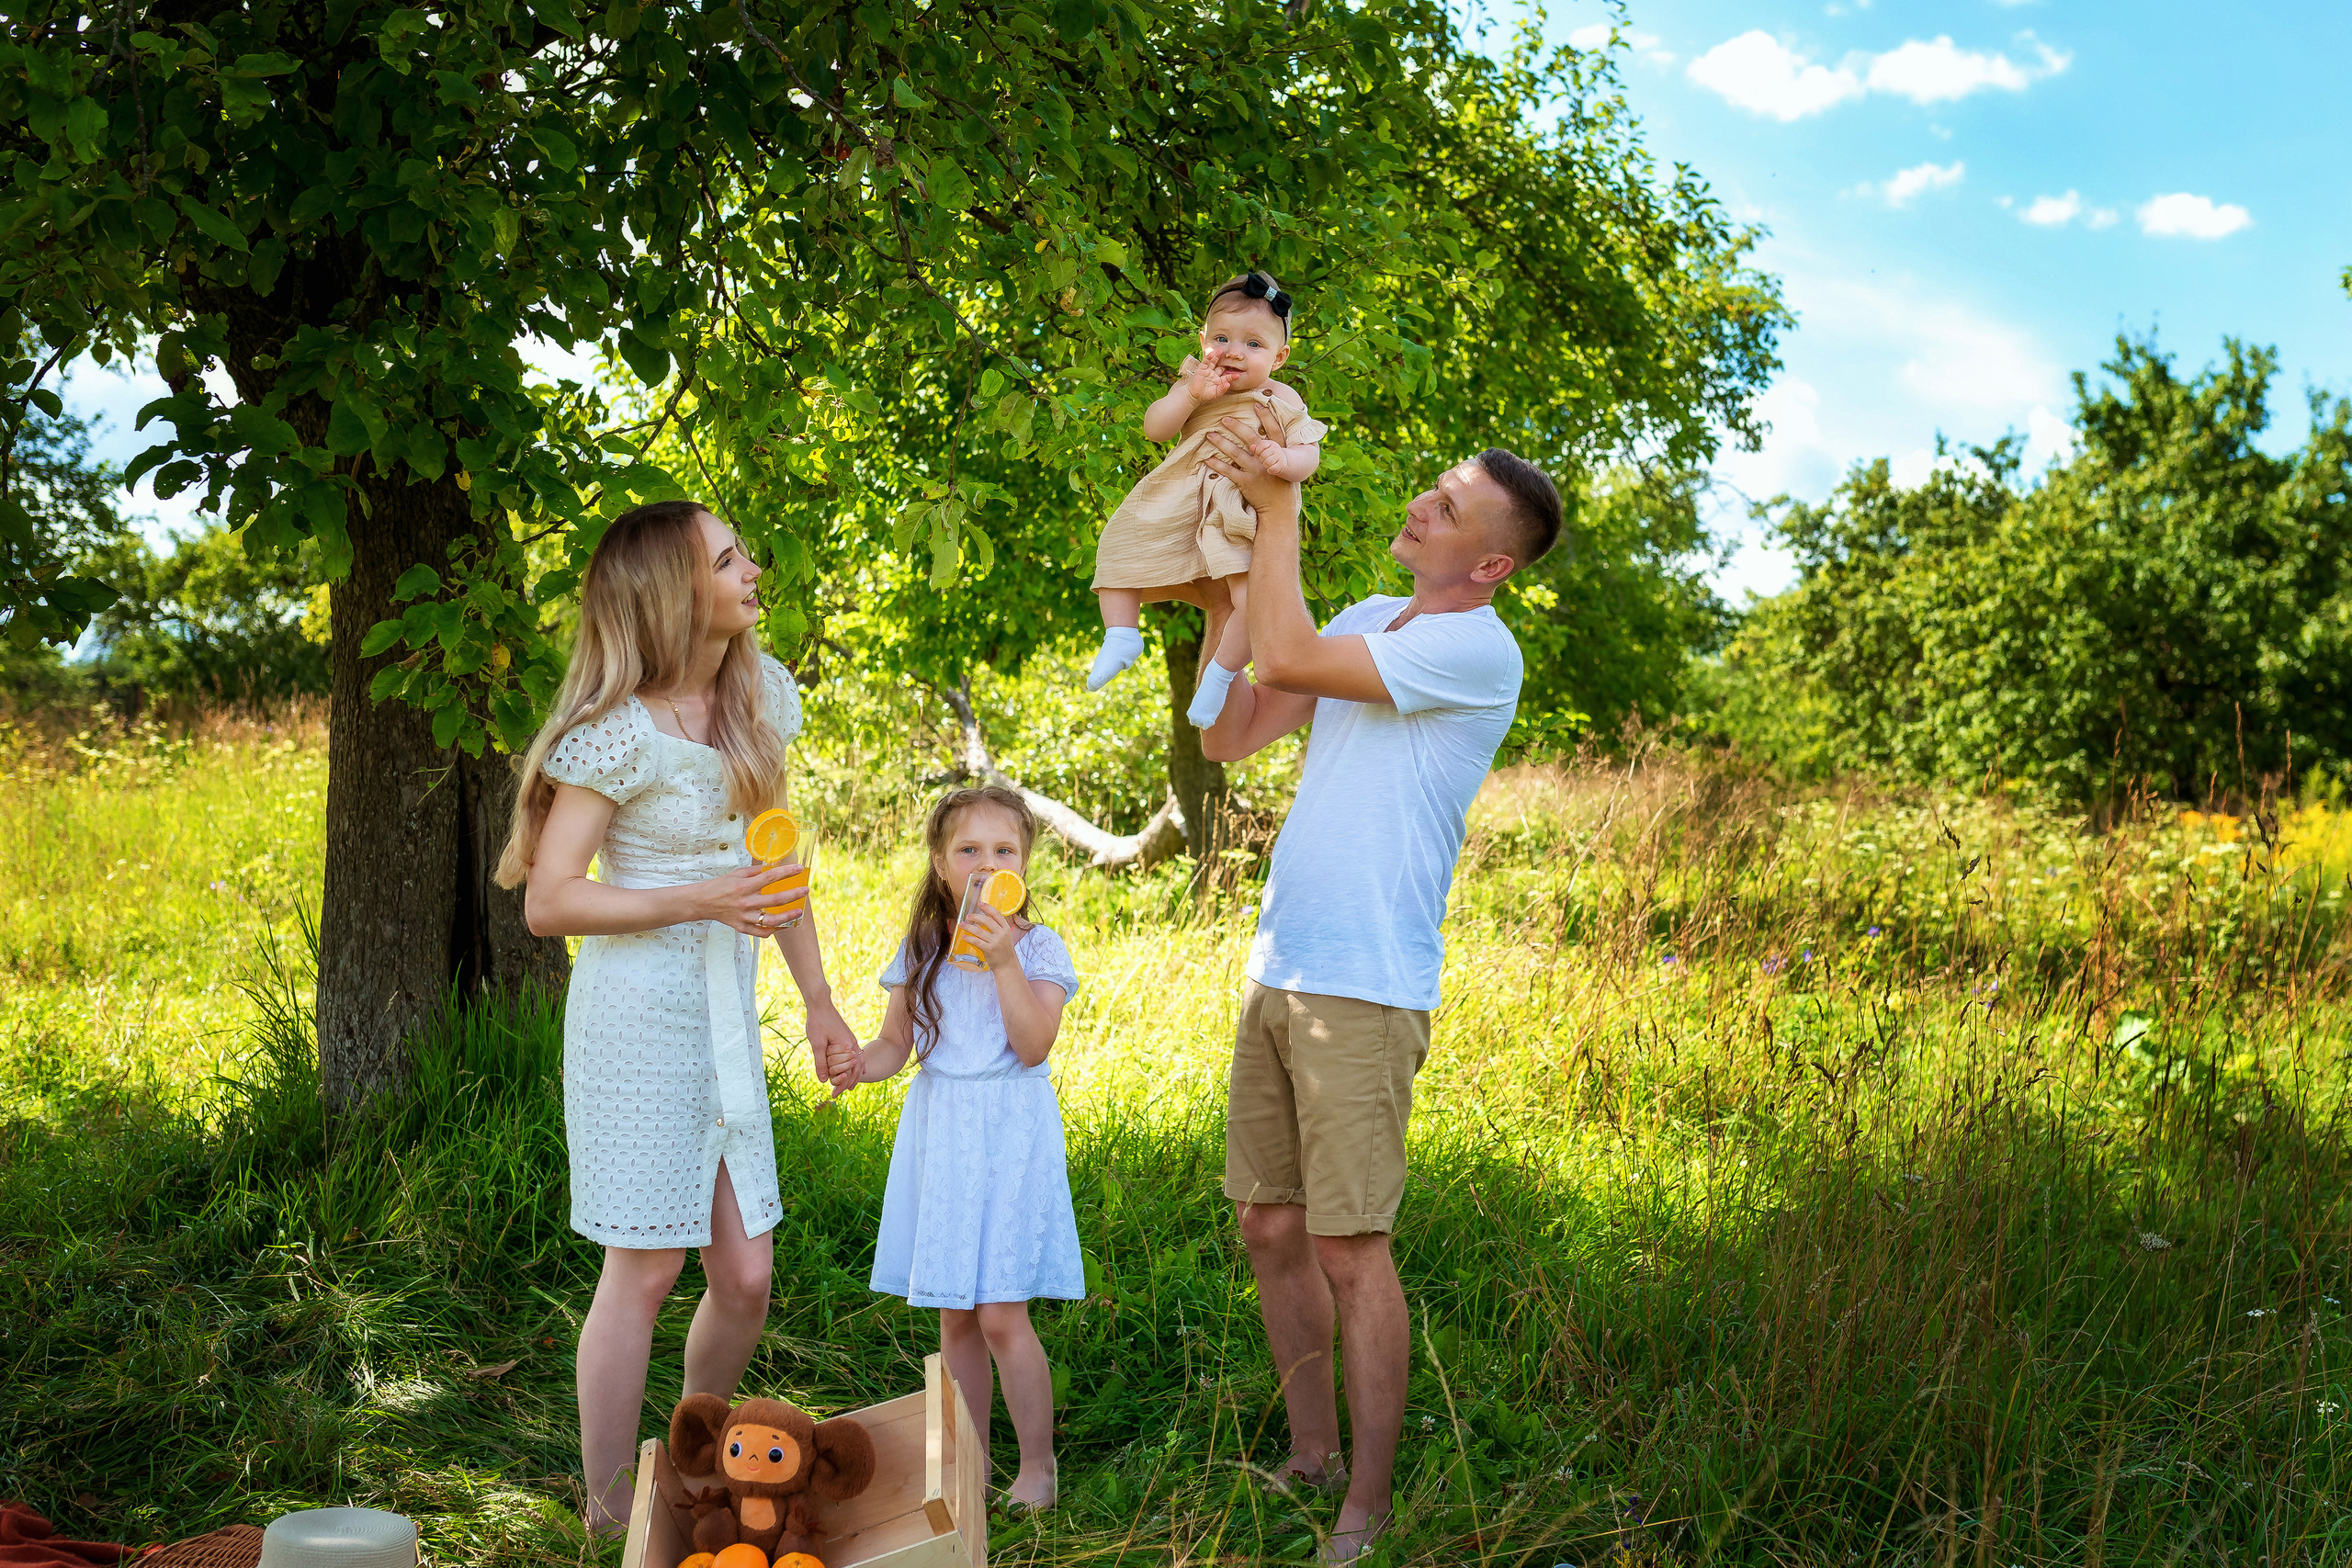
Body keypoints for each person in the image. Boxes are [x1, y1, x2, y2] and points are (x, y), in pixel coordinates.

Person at [1194, 417, 1565, 1562]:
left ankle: (1366, 1505)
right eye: (1435, 487)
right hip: (1284, 962)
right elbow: (1236, 733)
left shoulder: (1477, 651)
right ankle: (1307, 1457)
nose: (1422, 504)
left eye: (1449, 507)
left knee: (1352, 1249)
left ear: (1491, 564)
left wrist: (1277, 504)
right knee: (1268, 1223)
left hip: (1365, 984)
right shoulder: (1364, 620)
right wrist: (1221, 622)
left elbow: (1292, 660)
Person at [493, 500, 860, 1534]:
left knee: (745, 1274)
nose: (753, 572)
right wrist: (695, 899)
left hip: (724, 1018)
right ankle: (612, 1509)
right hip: (634, 1020)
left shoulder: (757, 701)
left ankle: (693, 1452)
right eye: (729, 559)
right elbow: (549, 900)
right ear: (671, 592)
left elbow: (777, 863)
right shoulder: (617, 737)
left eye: (745, 554)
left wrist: (820, 1002)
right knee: (645, 1268)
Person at [826, 784, 1085, 1511]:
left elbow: (1034, 1046)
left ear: (1023, 864)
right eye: (968, 849)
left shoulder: (1037, 947)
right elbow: (893, 1044)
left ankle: (1038, 1466)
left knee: (1003, 1310)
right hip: (944, 1134)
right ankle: (968, 1464)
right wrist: (857, 1065)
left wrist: (1003, 961)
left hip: (1008, 1133)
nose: (984, 862)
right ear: (940, 863)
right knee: (957, 1315)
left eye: (1002, 850)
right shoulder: (923, 946)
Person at [1086, 270, 1325, 720]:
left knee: (1251, 600)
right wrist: (1190, 396)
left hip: (1237, 505)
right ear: (1202, 342)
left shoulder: (1281, 395)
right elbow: (1156, 429)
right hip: (1182, 495)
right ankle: (1121, 633)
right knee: (1117, 543)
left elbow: (1308, 451)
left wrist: (1283, 460)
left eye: (1254, 345)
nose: (1235, 352)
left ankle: (1220, 675)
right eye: (1223, 338)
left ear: (1279, 357)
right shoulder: (1195, 381)